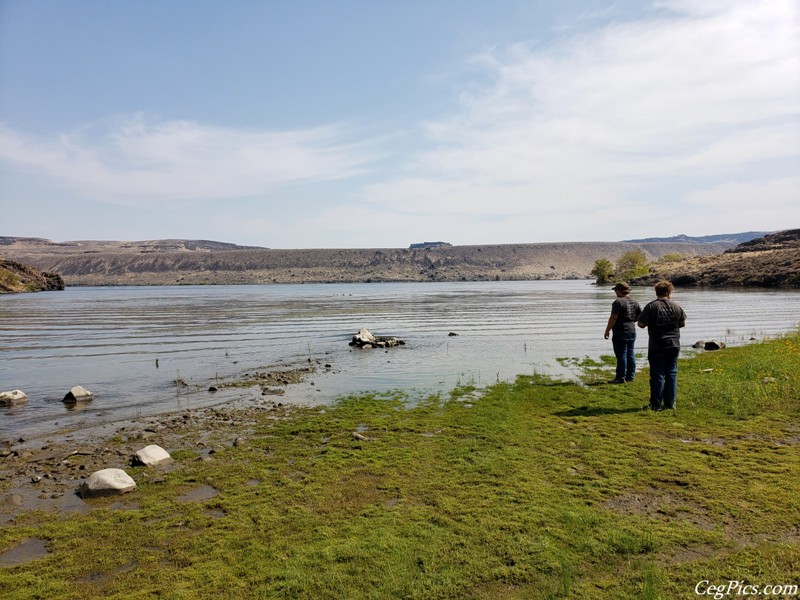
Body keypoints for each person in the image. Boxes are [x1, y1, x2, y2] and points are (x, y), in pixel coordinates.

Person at [637, 280, 687, 411]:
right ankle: (670, 404)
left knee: (657, 374)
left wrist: (654, 324)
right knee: (671, 373)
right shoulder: (677, 306)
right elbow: (682, 323)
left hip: (657, 344)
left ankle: (656, 404)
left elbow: (641, 324)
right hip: (674, 344)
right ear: (669, 292)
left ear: (656, 292)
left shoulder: (651, 306)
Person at [603, 282, 641, 383]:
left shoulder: (618, 302)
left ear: (620, 290)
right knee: (630, 353)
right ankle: (630, 376)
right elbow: (639, 316)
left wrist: (607, 330)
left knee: (621, 355)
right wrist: (631, 321)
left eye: (616, 290)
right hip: (632, 331)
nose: (615, 292)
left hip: (620, 332)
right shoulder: (635, 302)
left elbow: (614, 317)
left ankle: (620, 378)